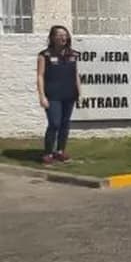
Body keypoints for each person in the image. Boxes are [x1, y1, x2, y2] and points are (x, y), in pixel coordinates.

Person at [35, 24, 81, 164]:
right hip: (52, 95)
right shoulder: (44, 55)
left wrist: (79, 93)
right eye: (60, 35)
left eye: (65, 35)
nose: (63, 37)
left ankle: (60, 151)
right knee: (54, 123)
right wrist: (42, 96)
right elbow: (40, 76)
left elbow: (76, 74)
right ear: (52, 37)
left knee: (65, 123)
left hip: (69, 94)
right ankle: (48, 152)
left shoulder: (73, 54)